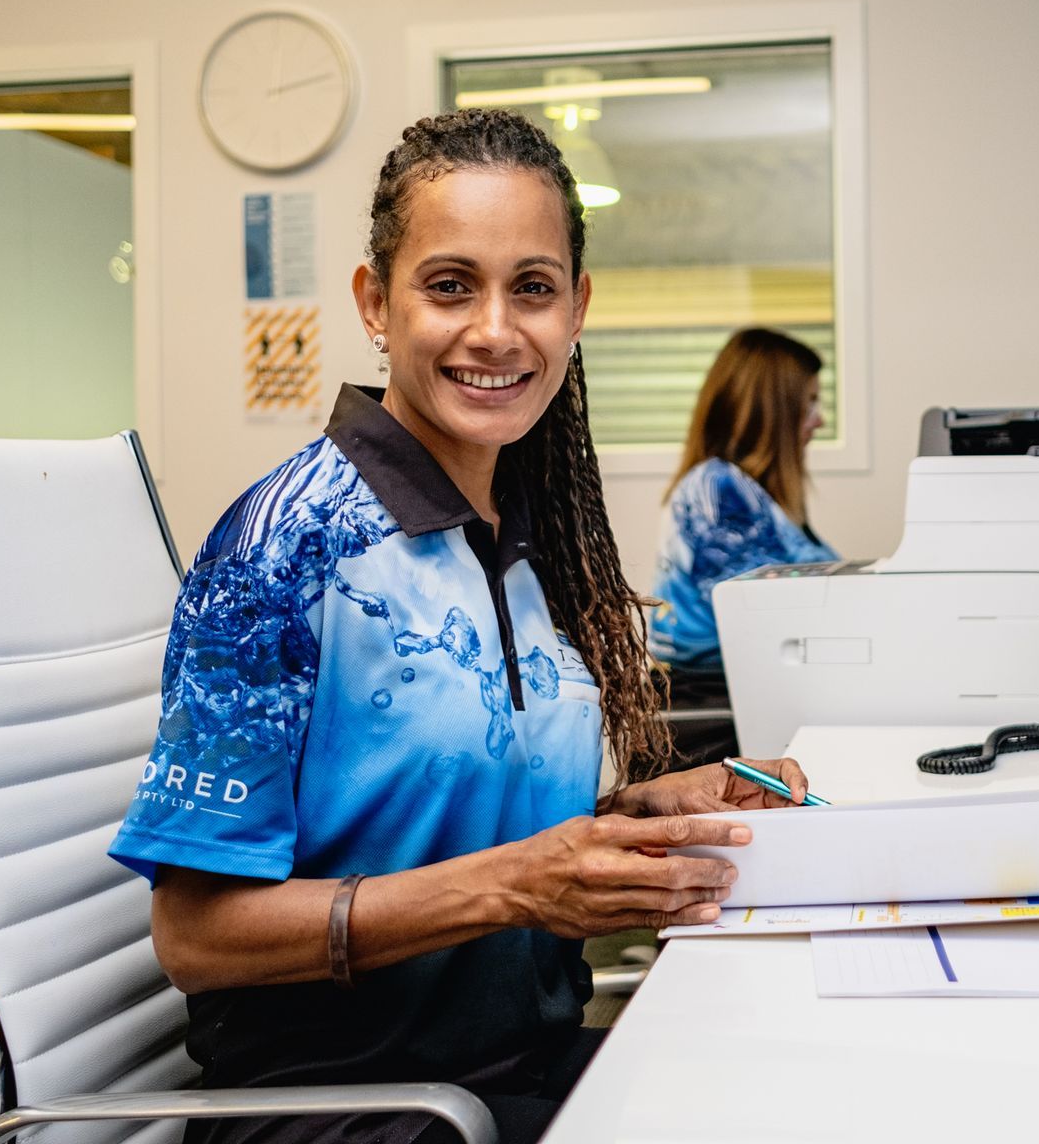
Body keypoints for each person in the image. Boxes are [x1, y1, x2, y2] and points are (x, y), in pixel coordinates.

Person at [108, 109, 812, 1144]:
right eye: (449, 284)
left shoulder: (528, 535)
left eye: (532, 286)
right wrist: (517, 885)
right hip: (349, 1107)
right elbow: (196, 935)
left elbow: (453, 816)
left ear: (577, 309)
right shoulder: (283, 550)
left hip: (518, 1067)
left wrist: (636, 815)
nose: (495, 328)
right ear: (374, 303)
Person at [650, 327, 839, 710]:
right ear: (772, 410)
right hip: (711, 706)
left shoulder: (754, 496)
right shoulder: (719, 491)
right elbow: (768, 618)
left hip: (740, 694)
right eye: (811, 403)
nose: (819, 421)